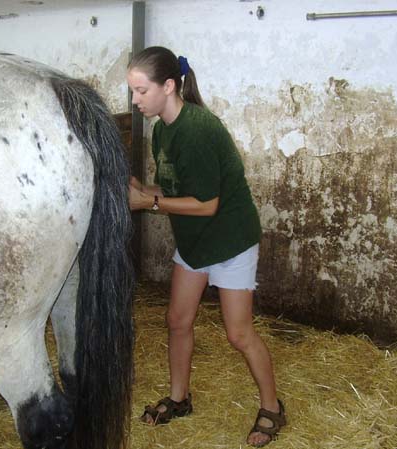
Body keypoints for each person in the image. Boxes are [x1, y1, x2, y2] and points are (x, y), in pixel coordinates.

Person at [127, 46, 286, 447]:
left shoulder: (197, 129)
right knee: (178, 320)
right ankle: (180, 399)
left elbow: (208, 203)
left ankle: (272, 407)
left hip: (228, 239)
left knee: (239, 333)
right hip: (195, 241)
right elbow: (181, 190)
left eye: (141, 91)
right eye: (133, 91)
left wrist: (150, 203)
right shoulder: (163, 128)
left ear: (168, 86)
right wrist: (146, 191)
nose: (135, 100)